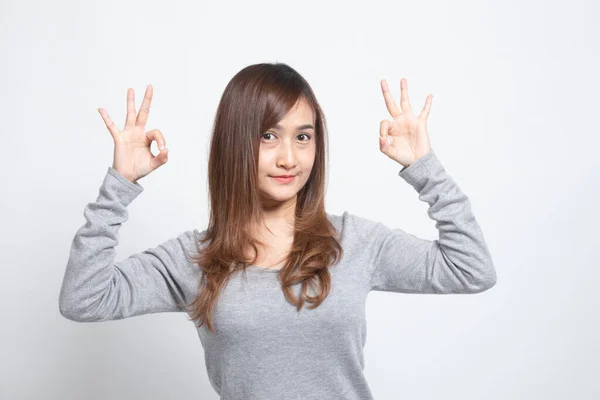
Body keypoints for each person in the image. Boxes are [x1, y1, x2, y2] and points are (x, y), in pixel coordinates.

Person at [58, 62, 497, 400]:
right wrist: (120, 186)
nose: (290, 157)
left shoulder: (356, 243)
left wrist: (424, 168)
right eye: (269, 136)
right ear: (236, 143)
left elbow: (471, 269)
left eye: (303, 137)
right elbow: (84, 298)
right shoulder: (194, 259)